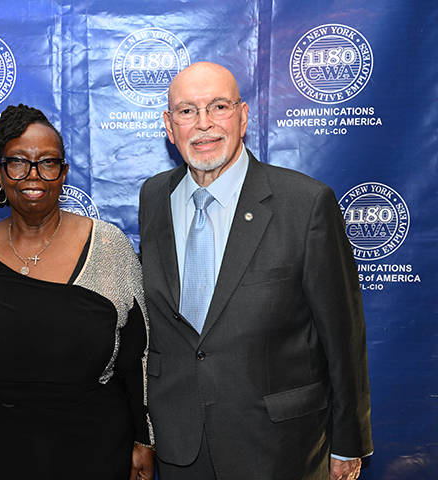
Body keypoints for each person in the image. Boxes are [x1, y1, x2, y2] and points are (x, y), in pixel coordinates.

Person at [139, 62, 372, 480]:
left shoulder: (306, 203)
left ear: (243, 116)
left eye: (219, 106)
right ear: (169, 126)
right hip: (180, 443)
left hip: (280, 447)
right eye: (187, 111)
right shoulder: (154, 196)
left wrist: (347, 442)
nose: (204, 124)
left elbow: (343, 336)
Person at [0, 104, 155, 480]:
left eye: (48, 162)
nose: (34, 174)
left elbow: (137, 355)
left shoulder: (107, 247)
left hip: (90, 455)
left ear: (63, 173)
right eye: (18, 162)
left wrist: (144, 439)